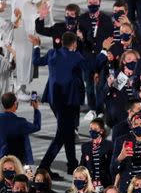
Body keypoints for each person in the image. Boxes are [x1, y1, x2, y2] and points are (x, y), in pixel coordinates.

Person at [30, 32, 112, 178]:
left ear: (62, 42)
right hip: (69, 101)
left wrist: (36, 46)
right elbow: (91, 66)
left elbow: (36, 61)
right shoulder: (75, 56)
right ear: (74, 44)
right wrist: (104, 50)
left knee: (67, 131)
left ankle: (72, 164)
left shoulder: (52, 53)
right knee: (62, 134)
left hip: (54, 100)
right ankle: (43, 167)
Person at [0, 92, 40, 166]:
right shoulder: (21, 122)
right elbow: (37, 126)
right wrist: (36, 109)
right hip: (18, 161)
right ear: (15, 104)